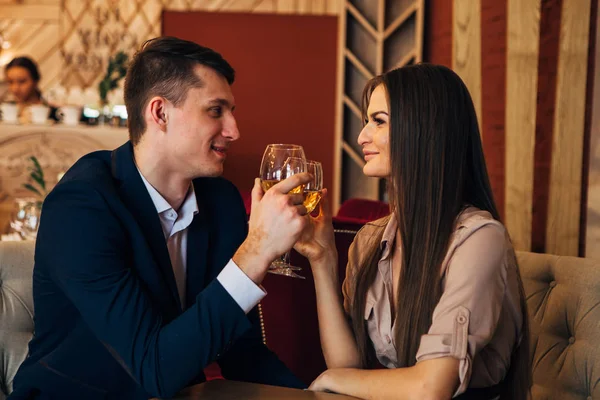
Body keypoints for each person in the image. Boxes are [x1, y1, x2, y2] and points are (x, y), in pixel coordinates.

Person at [10, 37, 310, 399]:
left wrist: (310, 395)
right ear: (160, 113)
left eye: (231, 111)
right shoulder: (82, 206)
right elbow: (153, 368)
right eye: (216, 111)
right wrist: (257, 251)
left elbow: (239, 350)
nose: (234, 130)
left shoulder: (220, 200)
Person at [295, 64, 531, 400]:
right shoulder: (370, 239)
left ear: (424, 130)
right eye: (366, 121)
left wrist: (330, 379)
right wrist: (321, 258)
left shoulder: (479, 238)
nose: (362, 136)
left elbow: (431, 388)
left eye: (378, 121)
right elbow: (348, 366)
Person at [4, 56, 58, 122]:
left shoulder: (55, 114)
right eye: (10, 82)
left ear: (35, 81)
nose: (15, 88)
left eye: (22, 81)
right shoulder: (4, 112)